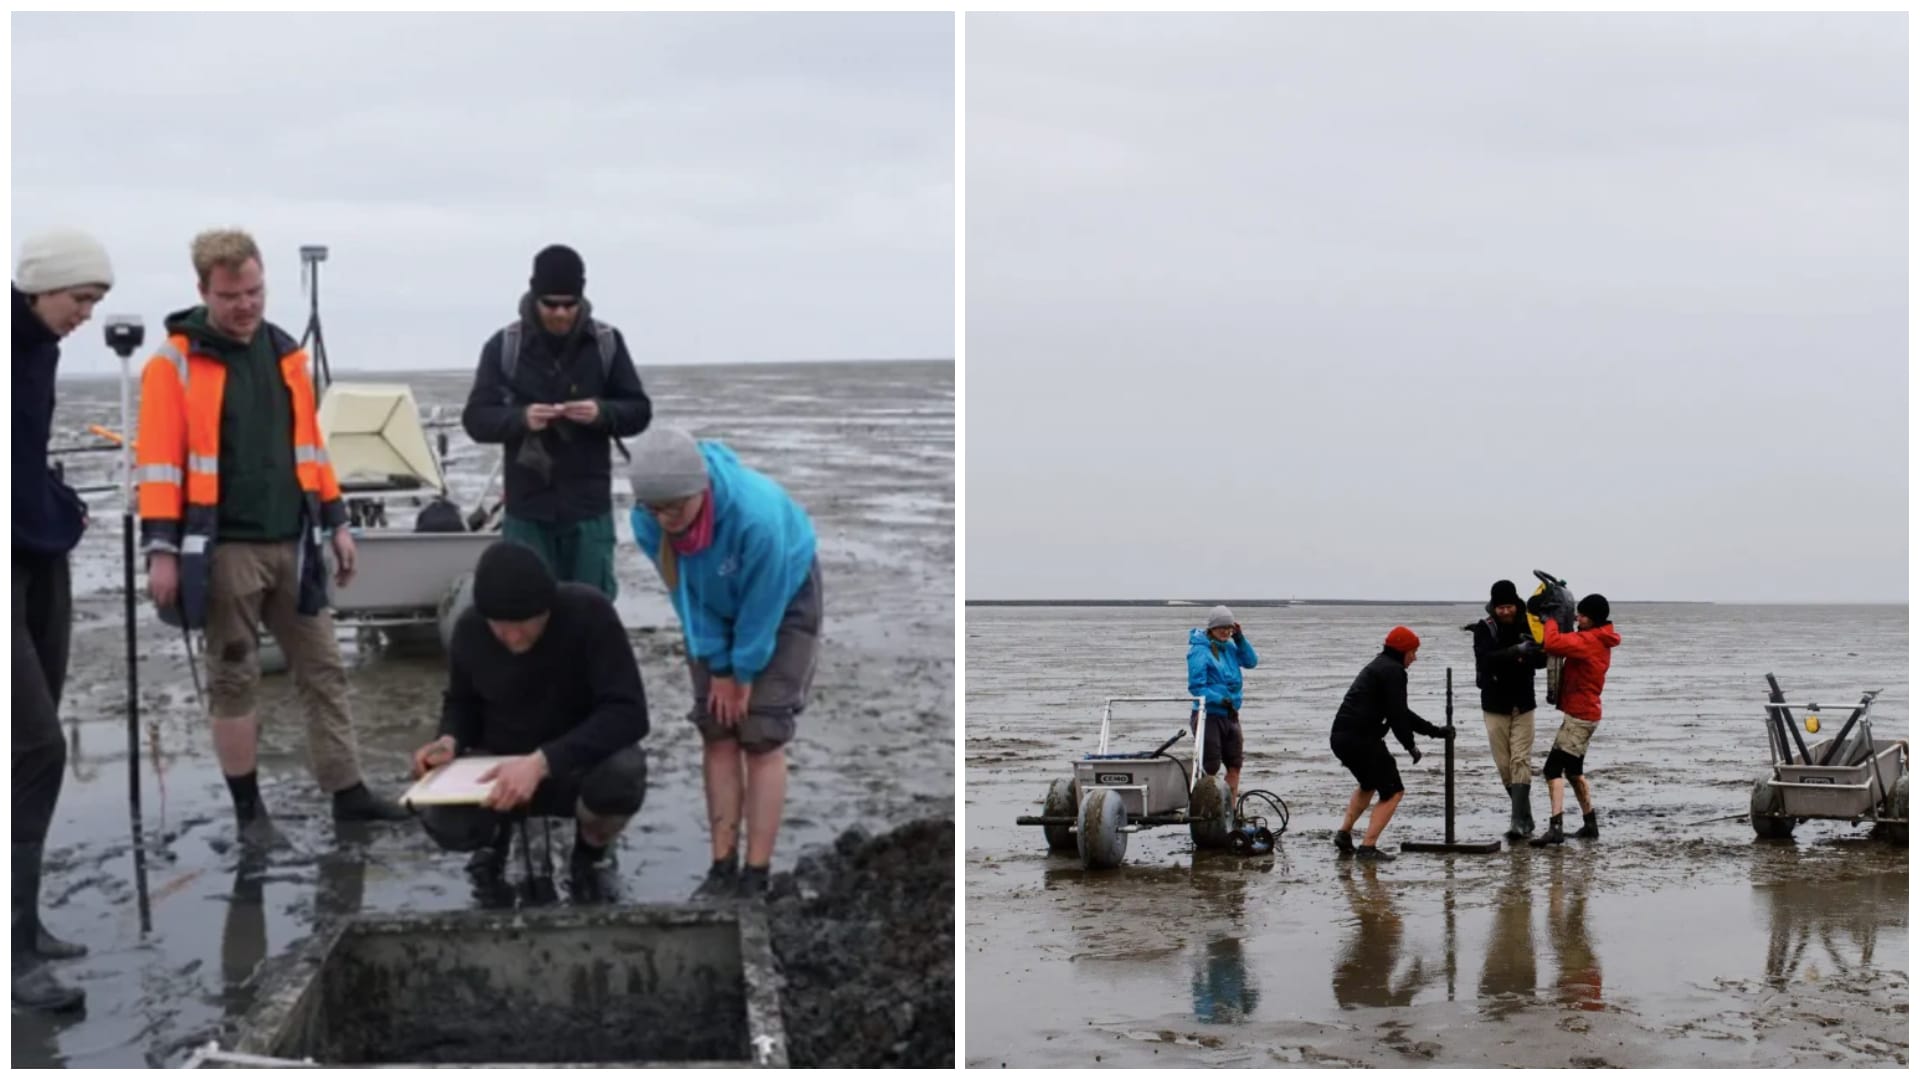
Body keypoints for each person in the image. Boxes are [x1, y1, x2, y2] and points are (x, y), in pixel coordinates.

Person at [136, 228, 408, 851]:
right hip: (222, 548)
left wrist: (338, 523)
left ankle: (348, 794)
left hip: (297, 544)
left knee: (325, 669)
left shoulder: (287, 354)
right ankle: (249, 813)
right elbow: (158, 465)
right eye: (232, 295)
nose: (247, 305)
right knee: (234, 678)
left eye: (256, 291)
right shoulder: (172, 363)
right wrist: (162, 554)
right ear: (204, 291)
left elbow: (312, 449)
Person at [626, 427, 821, 901]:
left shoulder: (755, 516)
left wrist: (744, 672)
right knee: (717, 728)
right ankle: (721, 866)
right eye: (656, 508)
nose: (666, 519)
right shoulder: (647, 521)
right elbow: (684, 593)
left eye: (676, 507)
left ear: (700, 490)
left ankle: (756, 874)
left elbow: (764, 604)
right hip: (706, 607)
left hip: (783, 597)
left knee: (761, 735)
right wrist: (717, 665)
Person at [412, 541, 649, 901]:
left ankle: (591, 851)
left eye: (524, 624)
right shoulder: (470, 630)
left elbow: (630, 714)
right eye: (500, 626)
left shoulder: (589, 614)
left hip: (575, 763)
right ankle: (492, 841)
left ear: (547, 610)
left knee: (624, 774)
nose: (513, 636)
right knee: (444, 819)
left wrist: (543, 762)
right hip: (500, 766)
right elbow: (462, 703)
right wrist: (449, 741)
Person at [12, 227, 113, 1012]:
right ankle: (13, 956)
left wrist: (56, 502)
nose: (87, 313)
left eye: (97, 302)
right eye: (82, 298)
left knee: (38, 743)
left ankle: (26, 920)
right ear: (44, 286)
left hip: (35, 550)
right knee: (39, 744)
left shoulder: (39, 349)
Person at [461, 244, 652, 598]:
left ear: (582, 298)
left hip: (588, 510)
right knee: (526, 608)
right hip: (527, 511)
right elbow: (475, 419)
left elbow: (639, 411)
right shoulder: (504, 346)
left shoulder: (606, 343)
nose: (561, 313)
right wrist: (521, 419)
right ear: (534, 296)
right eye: (551, 304)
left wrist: (602, 413)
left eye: (570, 304)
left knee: (591, 611)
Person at [1327, 626, 1455, 861]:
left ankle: (1344, 834)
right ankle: (1368, 848)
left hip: (1341, 738)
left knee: (1368, 783)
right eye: (1413, 652)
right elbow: (1397, 716)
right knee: (1393, 791)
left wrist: (1434, 732)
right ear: (1403, 651)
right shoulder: (1393, 671)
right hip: (1362, 739)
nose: (1414, 658)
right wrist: (1411, 746)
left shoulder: (1379, 665)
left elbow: (1400, 712)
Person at [1531, 594, 1620, 846]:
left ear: (1592, 620)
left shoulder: (1590, 640)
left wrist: (1549, 620)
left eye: (1581, 615)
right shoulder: (1598, 637)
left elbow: (1552, 643)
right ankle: (1590, 823)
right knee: (1573, 771)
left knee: (1551, 769)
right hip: (1585, 714)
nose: (1576, 618)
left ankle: (1555, 827)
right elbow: (1566, 641)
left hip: (1580, 717)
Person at [1467, 579, 1548, 840]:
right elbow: (1485, 660)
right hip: (1494, 705)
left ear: (1516, 604)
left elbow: (1542, 661)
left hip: (1524, 703)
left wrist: (1534, 651)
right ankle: (1525, 816)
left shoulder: (1529, 623)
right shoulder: (1484, 628)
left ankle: (1517, 822)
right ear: (1493, 607)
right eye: (1500, 607)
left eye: (1509, 606)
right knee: (1504, 765)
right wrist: (1516, 651)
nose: (1505, 612)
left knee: (1520, 760)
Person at [1186, 605, 1259, 802]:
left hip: (1231, 714)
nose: (1225, 631)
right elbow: (1196, 688)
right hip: (1208, 716)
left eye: (1229, 627)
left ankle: (1230, 811)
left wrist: (1240, 639)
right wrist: (1219, 699)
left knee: (1235, 764)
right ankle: (1208, 810)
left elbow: (1251, 662)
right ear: (1211, 629)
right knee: (1209, 767)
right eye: (1221, 628)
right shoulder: (1199, 651)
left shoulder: (1231, 647)